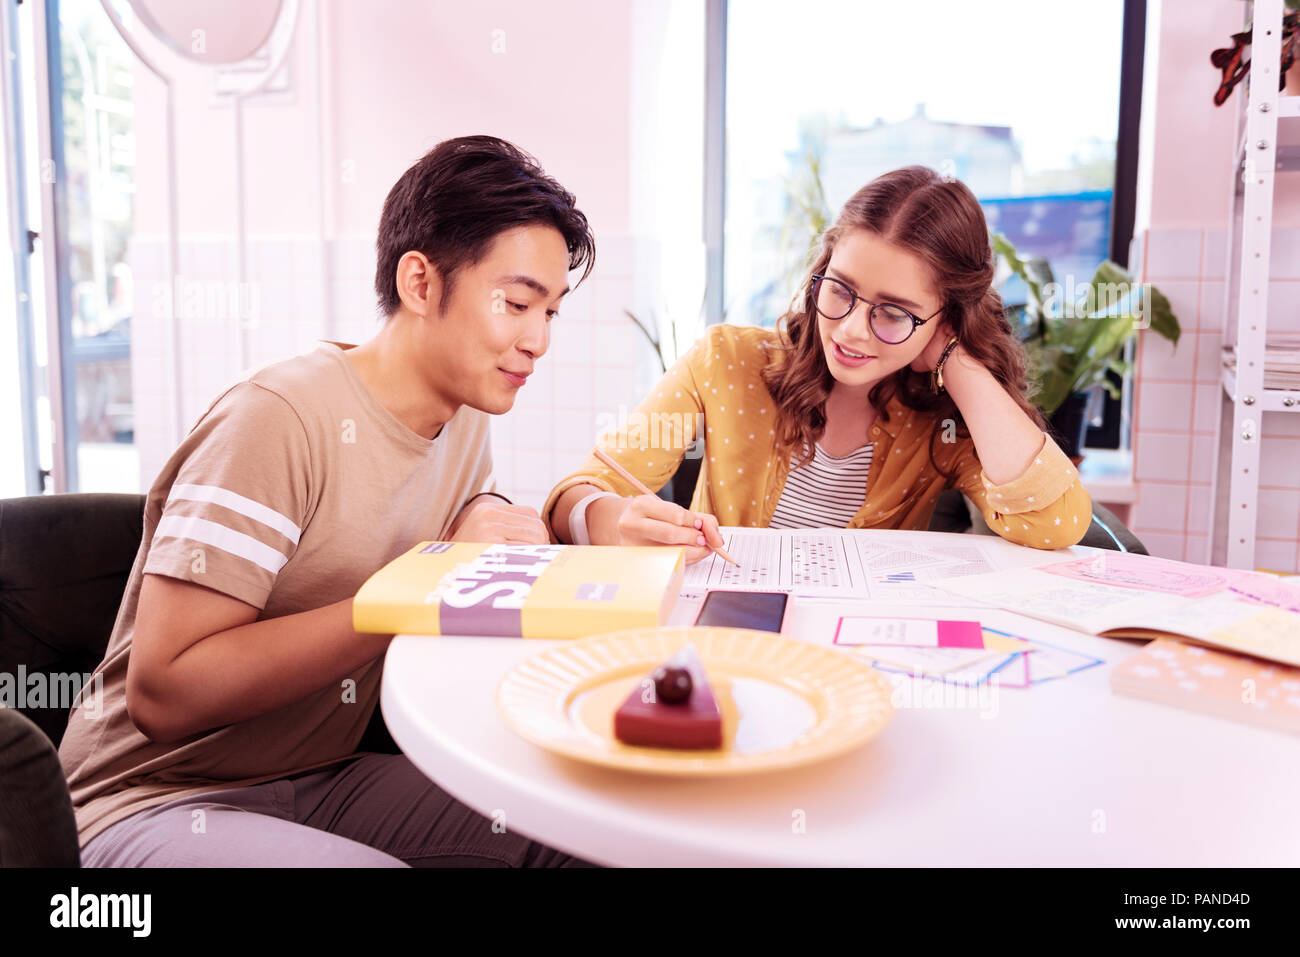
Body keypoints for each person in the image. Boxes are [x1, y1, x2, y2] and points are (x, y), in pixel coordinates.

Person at [59, 135, 598, 867]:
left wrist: (484, 513)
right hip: (150, 797)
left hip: (315, 775)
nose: (536, 340)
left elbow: (439, 523)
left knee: (575, 830)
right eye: (515, 303)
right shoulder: (279, 417)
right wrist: (411, 589)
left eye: (551, 313)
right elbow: (164, 690)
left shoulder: (467, 414)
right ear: (421, 283)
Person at [545, 165, 1092, 558]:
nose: (852, 330)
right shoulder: (727, 361)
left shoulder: (942, 424)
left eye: (895, 314)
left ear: (946, 320)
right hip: (725, 640)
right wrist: (613, 520)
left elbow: (1056, 523)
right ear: (823, 268)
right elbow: (576, 494)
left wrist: (958, 362)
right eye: (841, 290)